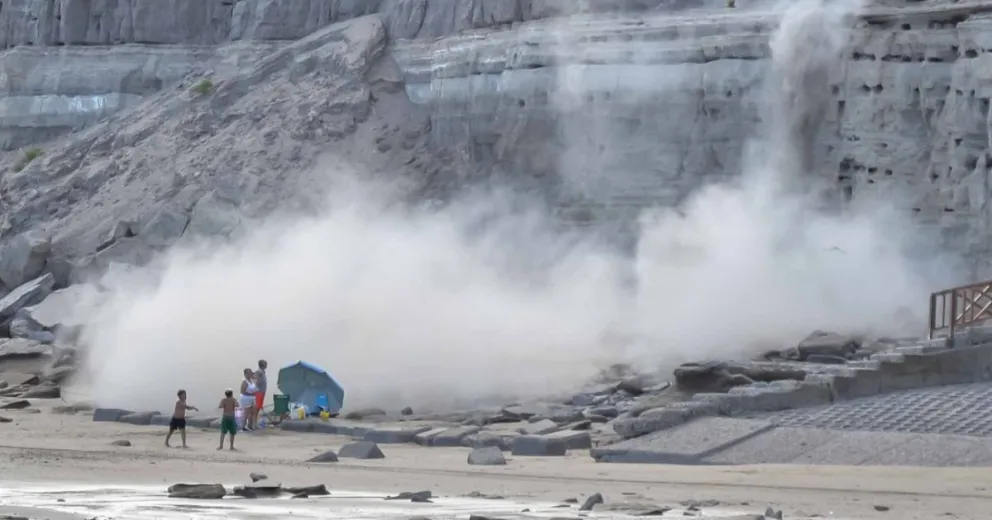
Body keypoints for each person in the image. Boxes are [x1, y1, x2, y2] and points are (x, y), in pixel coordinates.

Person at [252, 359, 268, 429]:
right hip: (259, 392)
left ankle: (255, 423)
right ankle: (253, 424)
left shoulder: (263, 372)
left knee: (259, 408)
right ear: (262, 365)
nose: (266, 365)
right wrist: (256, 386)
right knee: (256, 408)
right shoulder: (258, 372)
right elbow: (254, 379)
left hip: (262, 392)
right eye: (265, 364)